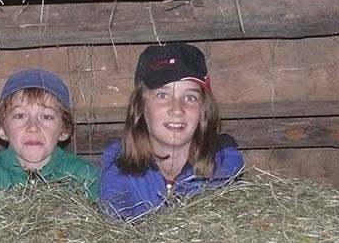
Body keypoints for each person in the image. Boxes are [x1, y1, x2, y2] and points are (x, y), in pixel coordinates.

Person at [99, 42, 243, 221]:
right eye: (163, 95)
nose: (177, 109)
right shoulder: (118, 163)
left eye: (190, 98)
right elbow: (117, 221)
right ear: (140, 106)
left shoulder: (223, 163)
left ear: (204, 111)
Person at [0, 68, 98, 197]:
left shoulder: (84, 177)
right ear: (2, 130)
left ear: (64, 130)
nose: (33, 127)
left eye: (46, 117)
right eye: (20, 116)